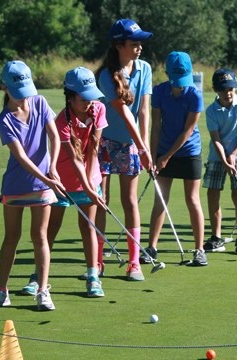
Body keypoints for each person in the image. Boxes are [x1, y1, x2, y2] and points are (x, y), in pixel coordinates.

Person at [0, 60, 65, 311]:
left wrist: (53, 167)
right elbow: (22, 157)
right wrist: (48, 178)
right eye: (17, 93)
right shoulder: (4, 119)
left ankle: (42, 290)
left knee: (40, 237)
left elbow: (54, 135)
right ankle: (1, 291)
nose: (23, 98)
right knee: (11, 238)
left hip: (42, 184)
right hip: (17, 184)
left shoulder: (39, 102)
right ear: (4, 88)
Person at [20, 67, 107, 298]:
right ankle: (37, 276)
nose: (89, 102)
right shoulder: (61, 121)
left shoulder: (98, 109)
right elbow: (75, 158)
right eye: (83, 98)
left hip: (90, 177)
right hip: (60, 182)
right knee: (50, 230)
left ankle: (93, 276)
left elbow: (93, 151)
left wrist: (90, 185)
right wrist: (88, 188)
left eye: (91, 97)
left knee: (88, 227)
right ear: (70, 96)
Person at [95, 19, 154, 281]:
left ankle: (133, 262)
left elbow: (143, 111)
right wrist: (143, 148)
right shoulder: (106, 75)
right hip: (104, 141)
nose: (139, 47)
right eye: (134, 43)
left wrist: (145, 144)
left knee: (129, 201)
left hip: (131, 143)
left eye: (140, 42)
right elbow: (123, 113)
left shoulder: (145, 69)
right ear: (119, 45)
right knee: (101, 201)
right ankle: (97, 261)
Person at [144, 51, 206, 266]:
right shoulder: (160, 92)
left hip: (188, 152)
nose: (180, 85)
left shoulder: (195, 95)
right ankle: (151, 248)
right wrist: (153, 157)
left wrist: (166, 157)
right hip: (162, 150)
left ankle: (199, 250)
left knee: (192, 199)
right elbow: (156, 126)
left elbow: (188, 131)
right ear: (167, 73)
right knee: (160, 199)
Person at [202, 68, 237, 255]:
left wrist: (233, 154)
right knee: (212, 193)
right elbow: (215, 138)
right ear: (216, 90)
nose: (228, 93)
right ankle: (216, 237)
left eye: (231, 88)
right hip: (217, 156)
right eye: (224, 89)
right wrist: (225, 158)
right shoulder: (211, 110)